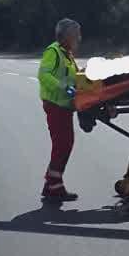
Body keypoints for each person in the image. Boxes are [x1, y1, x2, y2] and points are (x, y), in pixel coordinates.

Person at [38, 17, 81, 201]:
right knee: (62, 144)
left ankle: (53, 184)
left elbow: (73, 76)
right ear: (66, 35)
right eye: (75, 35)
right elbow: (43, 75)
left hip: (65, 106)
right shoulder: (54, 52)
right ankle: (53, 184)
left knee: (65, 144)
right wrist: (64, 87)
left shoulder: (67, 54)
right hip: (55, 105)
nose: (78, 38)